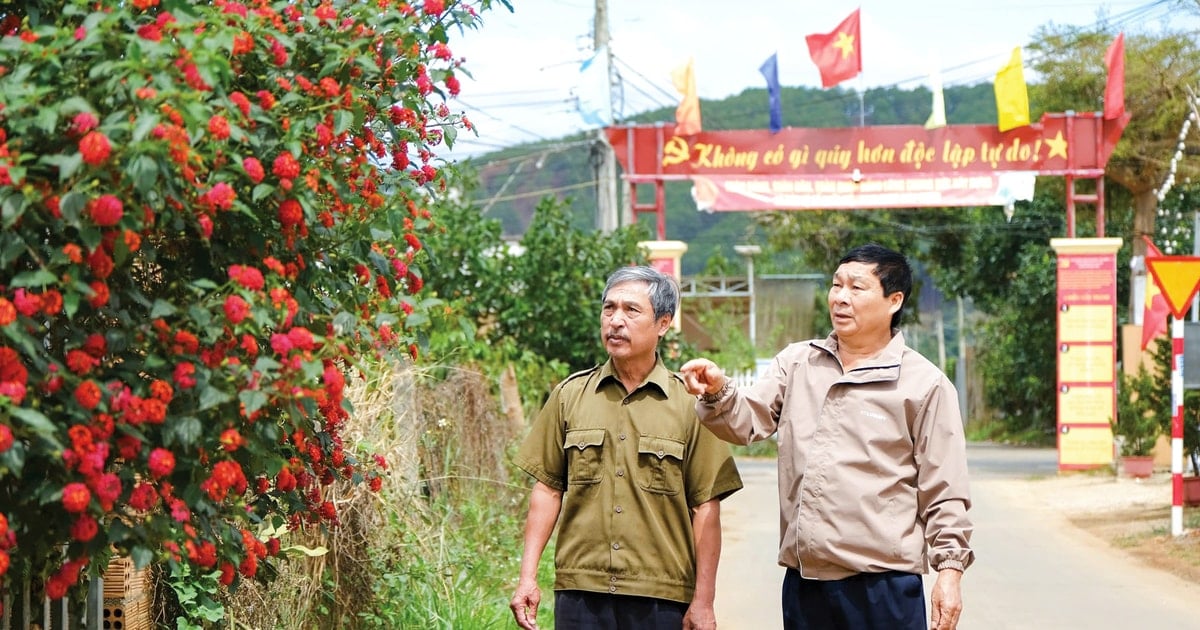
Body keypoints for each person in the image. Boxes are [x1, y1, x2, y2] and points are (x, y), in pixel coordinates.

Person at [680, 244, 973, 630]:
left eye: (857, 287)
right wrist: (718, 391)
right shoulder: (799, 363)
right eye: (836, 285)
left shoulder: (923, 383)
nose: (841, 297)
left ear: (893, 300)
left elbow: (945, 487)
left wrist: (949, 572)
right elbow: (745, 421)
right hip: (806, 586)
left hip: (883, 587)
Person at [510, 265, 743, 630]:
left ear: (663, 323)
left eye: (631, 311)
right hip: (580, 593)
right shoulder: (570, 396)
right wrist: (527, 578)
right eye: (609, 308)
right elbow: (547, 489)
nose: (616, 321)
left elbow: (705, 507)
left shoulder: (691, 404)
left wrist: (703, 601)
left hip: (660, 597)